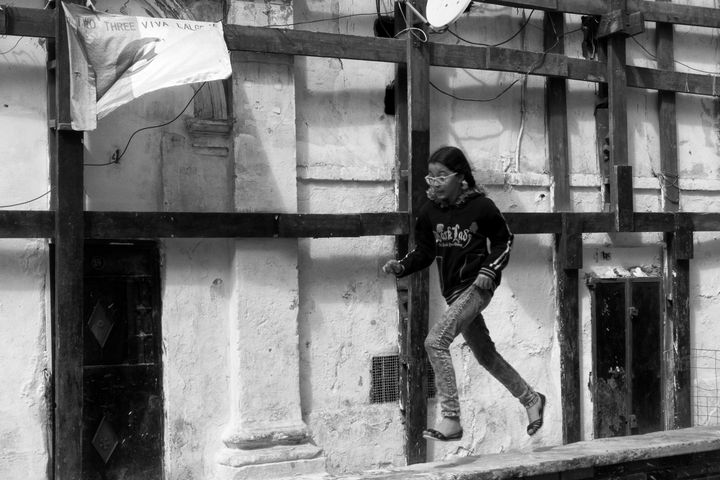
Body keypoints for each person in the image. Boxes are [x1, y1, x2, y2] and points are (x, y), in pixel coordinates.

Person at [383, 146, 545, 441]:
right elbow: (425, 251)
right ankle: (531, 399)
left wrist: (490, 270)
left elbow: (503, 240)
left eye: (442, 176)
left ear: (461, 177)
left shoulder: (481, 207)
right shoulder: (429, 212)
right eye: (430, 177)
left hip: (477, 287)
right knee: (485, 355)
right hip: (453, 294)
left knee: (435, 342)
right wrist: (402, 266)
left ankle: (451, 418)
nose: (435, 183)